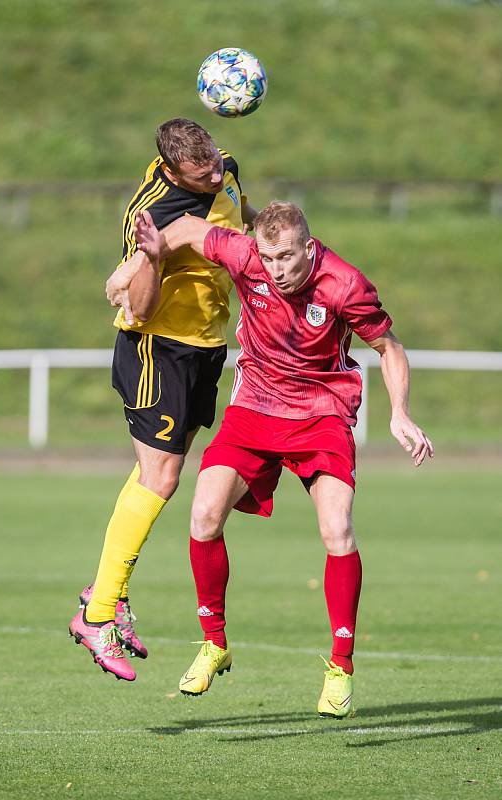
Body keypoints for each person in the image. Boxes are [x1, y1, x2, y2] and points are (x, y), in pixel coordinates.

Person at [131, 201, 434, 715]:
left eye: (287, 257)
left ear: (308, 249)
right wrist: (158, 250)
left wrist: (400, 412)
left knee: (337, 530)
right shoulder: (245, 255)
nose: (276, 269)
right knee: (203, 515)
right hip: (254, 409)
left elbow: (390, 347)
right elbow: (187, 226)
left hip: (322, 413)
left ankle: (341, 667)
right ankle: (215, 643)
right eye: (269, 258)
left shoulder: (344, 284)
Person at [69, 118, 257, 681]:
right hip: (159, 347)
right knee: (163, 478)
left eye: (216, 170)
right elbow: (141, 307)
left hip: (206, 345)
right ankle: (98, 614)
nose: (213, 179)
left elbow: (236, 217)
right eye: (200, 177)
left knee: (154, 473)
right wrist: (149, 258)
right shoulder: (150, 213)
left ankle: (106, 589)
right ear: (174, 170)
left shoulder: (223, 168)